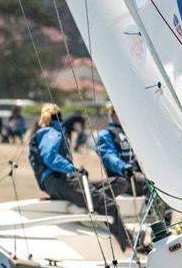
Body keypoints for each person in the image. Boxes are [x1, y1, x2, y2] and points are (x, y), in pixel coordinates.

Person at [28, 103, 131, 250]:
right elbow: (49, 157)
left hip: (60, 183)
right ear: (57, 117)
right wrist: (73, 169)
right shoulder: (50, 132)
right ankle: (128, 244)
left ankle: (88, 201)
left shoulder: (50, 132)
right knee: (109, 205)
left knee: (120, 182)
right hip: (59, 181)